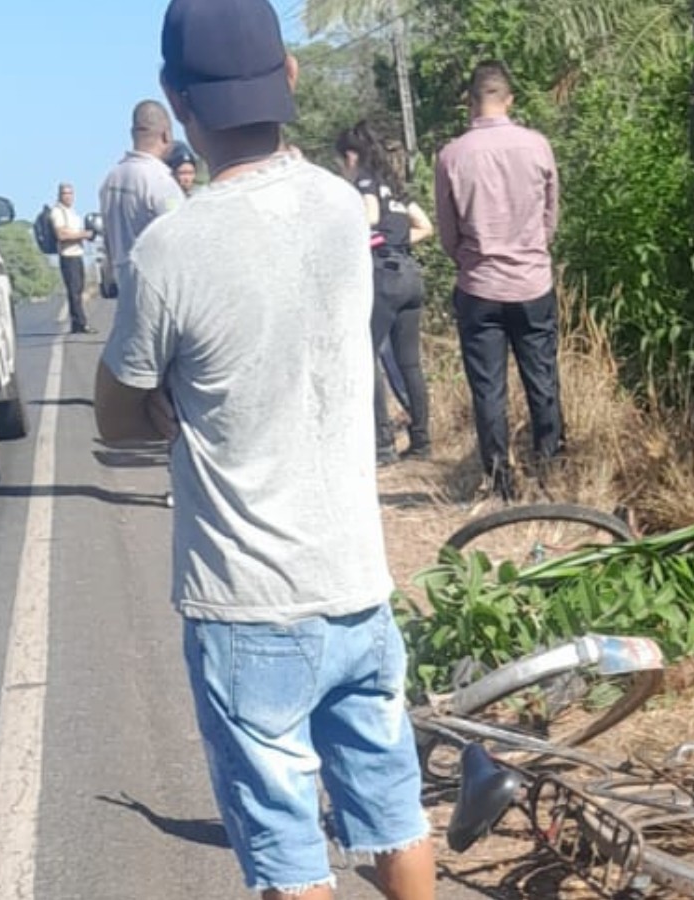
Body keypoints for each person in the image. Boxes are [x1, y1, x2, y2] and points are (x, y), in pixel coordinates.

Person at [92, 1, 438, 898]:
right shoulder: (338, 205)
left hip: (248, 605)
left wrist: (170, 404)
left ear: (175, 98)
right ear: (289, 77)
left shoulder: (169, 251)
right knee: (392, 809)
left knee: (288, 854)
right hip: (358, 582)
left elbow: (116, 417)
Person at [435, 61, 564, 502]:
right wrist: (530, 252)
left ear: (471, 102)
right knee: (542, 378)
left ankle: (499, 480)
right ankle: (550, 470)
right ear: (509, 99)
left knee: (488, 388)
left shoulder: (452, 155)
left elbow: (448, 234)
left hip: (479, 286)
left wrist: (473, 259)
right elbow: (551, 218)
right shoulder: (538, 146)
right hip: (532, 283)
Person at [336, 121, 434, 465]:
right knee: (410, 363)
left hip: (383, 277)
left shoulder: (364, 180)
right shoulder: (394, 186)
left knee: (366, 357)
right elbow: (426, 226)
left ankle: (382, 444)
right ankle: (422, 441)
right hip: (409, 274)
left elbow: (370, 216)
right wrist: (398, 241)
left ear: (350, 156)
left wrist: (355, 238)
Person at [98, 99, 184, 308]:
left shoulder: (111, 179)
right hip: (158, 290)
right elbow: (181, 240)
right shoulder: (160, 182)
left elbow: (108, 238)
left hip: (125, 284)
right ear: (166, 135)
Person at [50, 183, 96, 334]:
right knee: (74, 291)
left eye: (70, 193)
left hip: (78, 254)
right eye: (65, 193)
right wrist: (84, 235)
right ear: (59, 195)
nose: (68, 196)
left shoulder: (72, 212)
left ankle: (78, 322)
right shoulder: (57, 212)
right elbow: (61, 235)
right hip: (68, 256)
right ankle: (80, 323)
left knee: (79, 289)